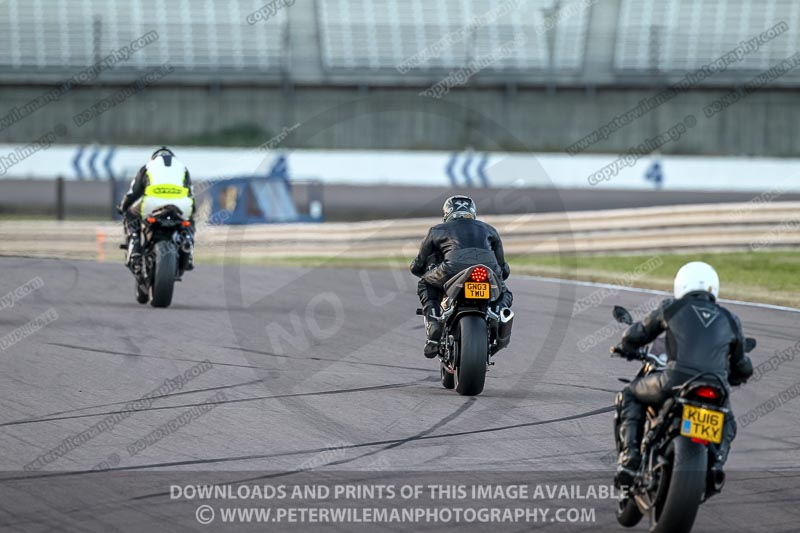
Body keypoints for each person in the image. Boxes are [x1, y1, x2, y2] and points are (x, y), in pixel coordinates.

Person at [613, 261, 753, 490]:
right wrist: (737, 376)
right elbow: (742, 365)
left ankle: (631, 458)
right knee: (729, 423)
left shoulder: (672, 307)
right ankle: (716, 465)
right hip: (716, 387)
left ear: (681, 285)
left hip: (674, 381)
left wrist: (626, 345)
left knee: (630, 393)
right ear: (713, 288)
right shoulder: (730, 319)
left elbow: (639, 333)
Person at [410, 195, 513, 358]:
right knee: (505, 292)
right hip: (488, 268)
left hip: (452, 268)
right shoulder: (489, 229)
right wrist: (502, 273)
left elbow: (418, 265)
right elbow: (503, 267)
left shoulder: (436, 230)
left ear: (447, 213)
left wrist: (421, 269)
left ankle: (434, 322)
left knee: (425, 283)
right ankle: (497, 311)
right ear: (472, 212)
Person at [118, 147, 195, 272]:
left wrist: (123, 207)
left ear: (153, 157)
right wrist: (192, 211)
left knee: (131, 214)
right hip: (182, 204)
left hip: (152, 203)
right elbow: (190, 193)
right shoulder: (183, 168)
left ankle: (135, 249)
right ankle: (188, 245)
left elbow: (133, 192)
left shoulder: (147, 167)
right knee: (190, 220)